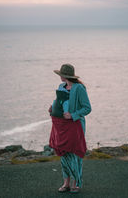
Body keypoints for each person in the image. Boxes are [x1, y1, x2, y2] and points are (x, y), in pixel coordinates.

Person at [49, 63, 92, 193]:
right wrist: (52, 108)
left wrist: (73, 115)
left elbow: (87, 108)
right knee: (64, 154)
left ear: (65, 76)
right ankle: (66, 183)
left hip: (75, 125)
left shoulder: (79, 88)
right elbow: (60, 101)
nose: (60, 77)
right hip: (62, 126)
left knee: (75, 154)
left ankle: (76, 183)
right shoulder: (61, 86)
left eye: (61, 74)